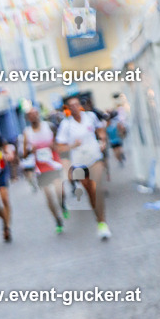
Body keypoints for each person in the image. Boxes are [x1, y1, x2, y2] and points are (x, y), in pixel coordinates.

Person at [55, 96, 110, 240]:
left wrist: (102, 140)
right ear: (67, 109)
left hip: (94, 157)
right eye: (71, 105)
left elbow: (100, 129)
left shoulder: (90, 117)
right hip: (79, 162)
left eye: (76, 104)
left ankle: (103, 222)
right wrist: (72, 145)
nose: (74, 107)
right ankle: (98, 219)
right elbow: (59, 147)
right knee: (90, 190)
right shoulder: (66, 125)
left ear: (80, 105)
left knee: (96, 187)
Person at [23, 108, 66, 234]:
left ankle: (63, 204)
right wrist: (31, 151)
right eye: (30, 116)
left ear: (38, 115)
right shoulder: (27, 133)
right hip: (41, 169)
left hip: (54, 164)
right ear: (28, 118)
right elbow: (24, 154)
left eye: (35, 114)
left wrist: (54, 147)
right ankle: (57, 219)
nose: (33, 117)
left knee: (60, 191)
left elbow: (60, 144)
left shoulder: (49, 127)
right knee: (48, 196)